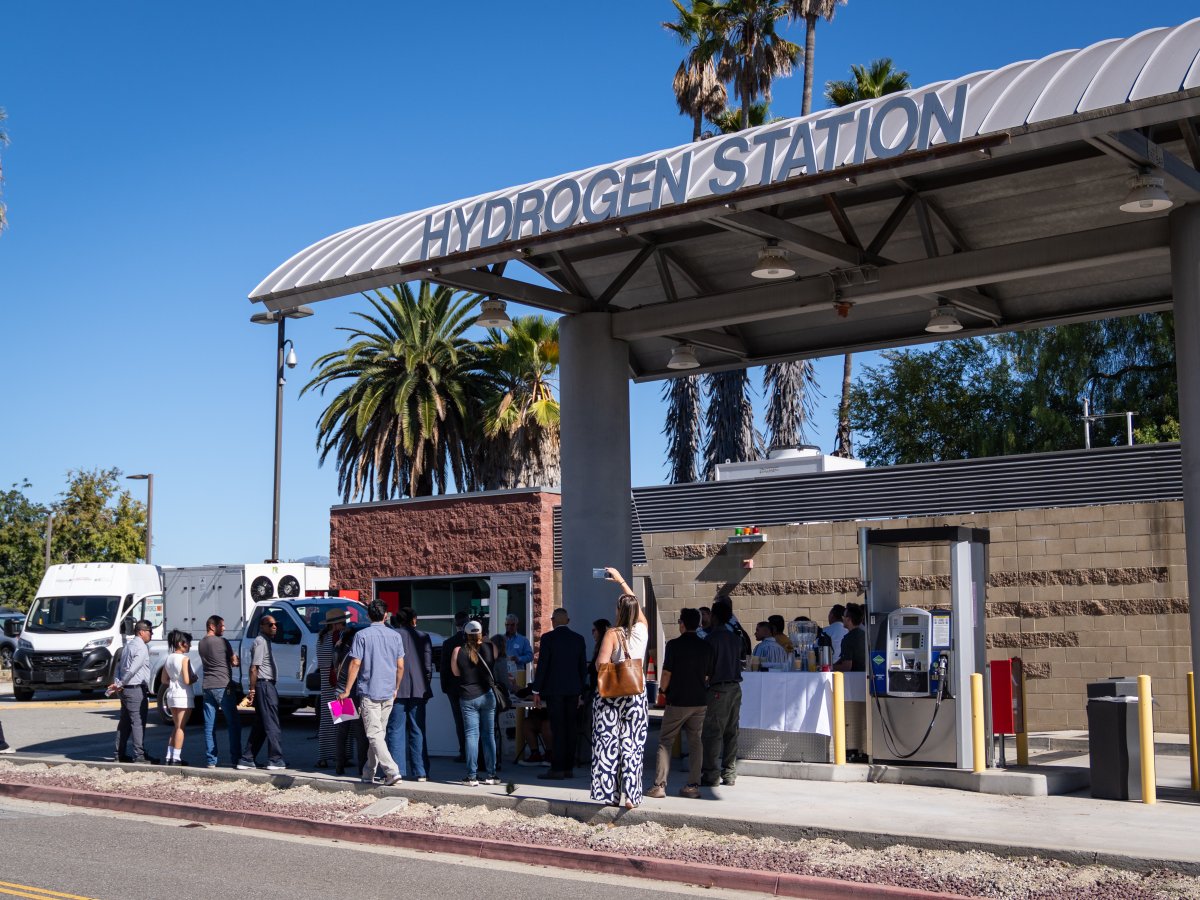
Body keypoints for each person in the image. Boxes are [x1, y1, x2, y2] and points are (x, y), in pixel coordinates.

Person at [590, 567, 649, 809]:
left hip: (611, 696)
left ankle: (609, 794)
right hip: (637, 692)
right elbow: (637, 607)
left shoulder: (611, 634)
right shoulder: (643, 629)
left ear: (618, 611)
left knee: (608, 743)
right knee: (632, 745)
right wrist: (622, 581)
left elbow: (600, 665)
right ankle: (631, 797)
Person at [647, 607, 713, 800]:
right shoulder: (706, 646)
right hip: (699, 700)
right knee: (695, 742)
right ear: (699, 624)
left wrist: (662, 691)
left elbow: (667, 672)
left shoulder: (674, 645)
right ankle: (693, 785)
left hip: (678, 700)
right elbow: (708, 675)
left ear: (682, 624)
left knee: (666, 741)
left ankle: (659, 786)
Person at [340, 599, 404, 786]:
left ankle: (392, 771)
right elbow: (400, 665)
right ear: (386, 615)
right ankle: (368, 772)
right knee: (377, 734)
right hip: (388, 690)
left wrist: (346, 690)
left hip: (369, 691)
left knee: (374, 735)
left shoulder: (362, 635)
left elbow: (356, 663)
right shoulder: (395, 636)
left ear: (368, 616)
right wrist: (396, 687)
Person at [531, 607, 587, 780]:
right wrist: (581, 692)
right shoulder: (579, 639)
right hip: (573, 690)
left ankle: (557, 769)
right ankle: (568, 767)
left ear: (553, 621)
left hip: (554, 690)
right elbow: (582, 668)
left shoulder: (548, 638)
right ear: (568, 621)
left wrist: (536, 689)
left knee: (557, 728)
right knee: (570, 728)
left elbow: (543, 666)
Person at [450, 620, 499, 787]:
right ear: (481, 633)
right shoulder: (490, 647)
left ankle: (472, 776)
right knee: (489, 735)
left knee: (471, 736)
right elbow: (495, 655)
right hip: (487, 696)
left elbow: (456, 673)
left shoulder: (458, 651)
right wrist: (483, 638)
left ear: (465, 634)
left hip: (468, 697)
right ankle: (492, 774)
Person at [387, 607, 433, 781]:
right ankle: (420, 770)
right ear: (413, 620)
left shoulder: (392, 636)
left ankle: (396, 770)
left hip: (396, 687)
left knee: (395, 729)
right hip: (419, 689)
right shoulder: (423, 637)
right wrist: (425, 684)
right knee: (418, 729)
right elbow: (428, 667)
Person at [236, 615, 287, 771]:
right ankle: (275, 759)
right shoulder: (260, 642)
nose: (274, 626)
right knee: (272, 724)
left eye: (275, 624)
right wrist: (252, 690)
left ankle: (247, 758)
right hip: (264, 685)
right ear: (262, 626)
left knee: (261, 725)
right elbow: (254, 668)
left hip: (266, 685)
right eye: (270, 624)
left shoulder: (265, 641)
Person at [701, 598, 743, 788]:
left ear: (715, 616)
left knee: (712, 732)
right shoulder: (735, 639)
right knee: (731, 731)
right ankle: (729, 773)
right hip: (735, 687)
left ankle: (711, 774)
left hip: (718, 689)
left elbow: (707, 669)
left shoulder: (710, 640)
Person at [109, 619, 157, 765]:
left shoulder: (128, 646)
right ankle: (139, 755)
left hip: (125, 689)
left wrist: (119, 684)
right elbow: (133, 668)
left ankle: (119, 753)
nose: (151, 634)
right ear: (141, 632)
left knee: (125, 722)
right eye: (149, 631)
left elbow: (118, 666)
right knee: (138, 722)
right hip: (135, 688)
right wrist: (121, 683)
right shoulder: (141, 647)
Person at [198, 615, 241, 769]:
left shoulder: (201, 643)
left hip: (207, 686)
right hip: (223, 686)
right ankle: (236, 758)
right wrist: (235, 657)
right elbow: (234, 662)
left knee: (209, 726)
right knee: (233, 724)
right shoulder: (223, 642)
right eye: (221, 626)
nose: (224, 628)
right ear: (212, 626)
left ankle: (211, 760)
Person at [315, 608, 348, 768]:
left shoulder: (321, 638)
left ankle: (323, 756)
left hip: (325, 683)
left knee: (326, 721)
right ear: (338, 623)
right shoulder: (339, 637)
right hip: (339, 684)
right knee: (342, 720)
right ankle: (343, 755)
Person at [334, 626, 367, 776]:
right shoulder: (354, 654)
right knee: (360, 734)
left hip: (339, 693)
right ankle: (362, 767)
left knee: (342, 733)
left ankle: (339, 766)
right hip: (353, 694)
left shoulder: (339, 650)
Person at [439, 610, 471, 763]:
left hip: (454, 688)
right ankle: (473, 753)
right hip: (472, 687)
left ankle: (464, 752)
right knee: (472, 722)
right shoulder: (473, 642)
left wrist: (444, 687)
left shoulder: (449, 643)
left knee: (460, 721)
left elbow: (444, 667)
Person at [161, 629, 195, 766]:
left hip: (171, 693)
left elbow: (164, 679)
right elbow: (187, 680)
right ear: (182, 644)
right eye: (188, 643)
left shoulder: (168, 658)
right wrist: (194, 678)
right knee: (181, 727)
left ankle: (169, 755)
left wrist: (174, 679)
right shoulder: (184, 659)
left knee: (176, 726)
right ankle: (176, 757)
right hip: (183, 694)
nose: (190, 646)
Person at [834, 603, 866, 672]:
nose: (842, 619)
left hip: (853, 679)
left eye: (843, 617)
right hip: (865, 677)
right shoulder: (865, 635)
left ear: (848, 619)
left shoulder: (848, 639)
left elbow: (846, 667)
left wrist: (829, 668)